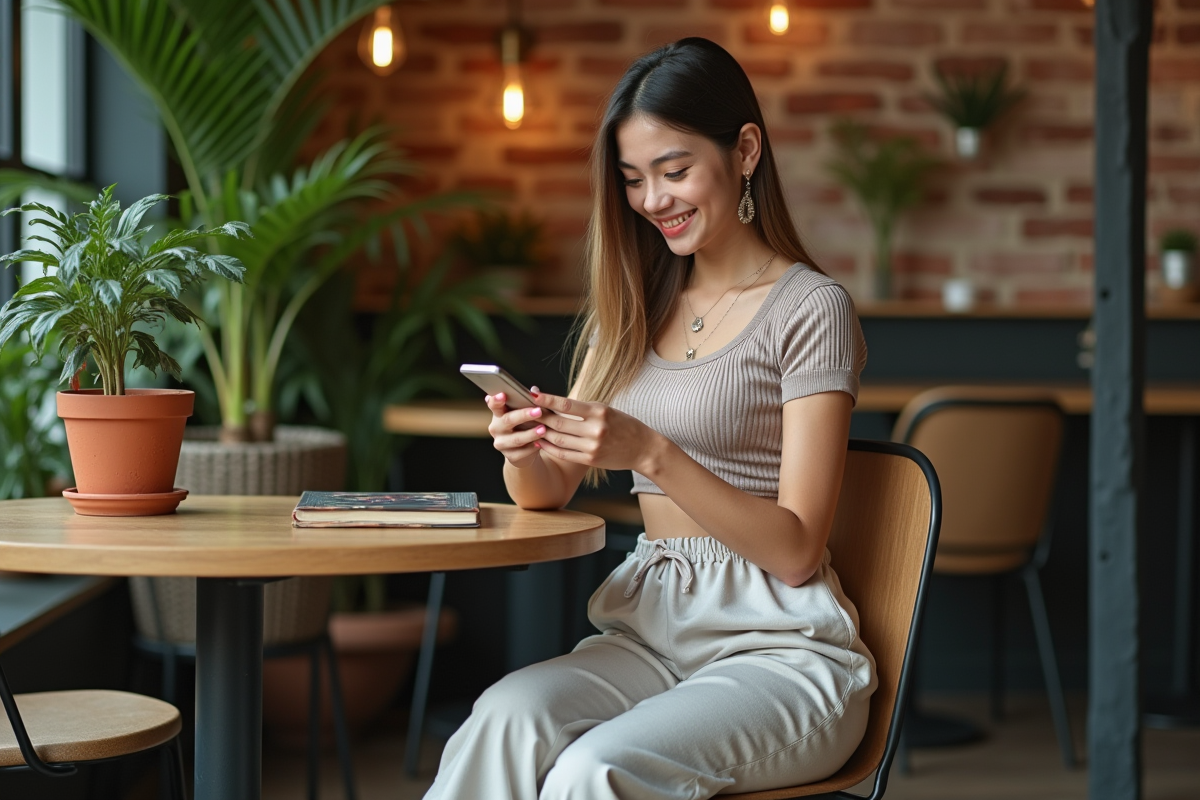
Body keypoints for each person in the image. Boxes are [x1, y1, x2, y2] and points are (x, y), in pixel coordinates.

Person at [424, 37, 876, 800]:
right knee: (501, 720)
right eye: (634, 180)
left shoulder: (810, 309)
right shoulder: (634, 308)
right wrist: (523, 449)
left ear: (745, 151)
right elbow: (546, 492)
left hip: (782, 652)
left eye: (674, 171)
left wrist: (652, 452)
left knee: (592, 771)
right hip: (652, 636)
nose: (652, 200)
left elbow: (798, 550)